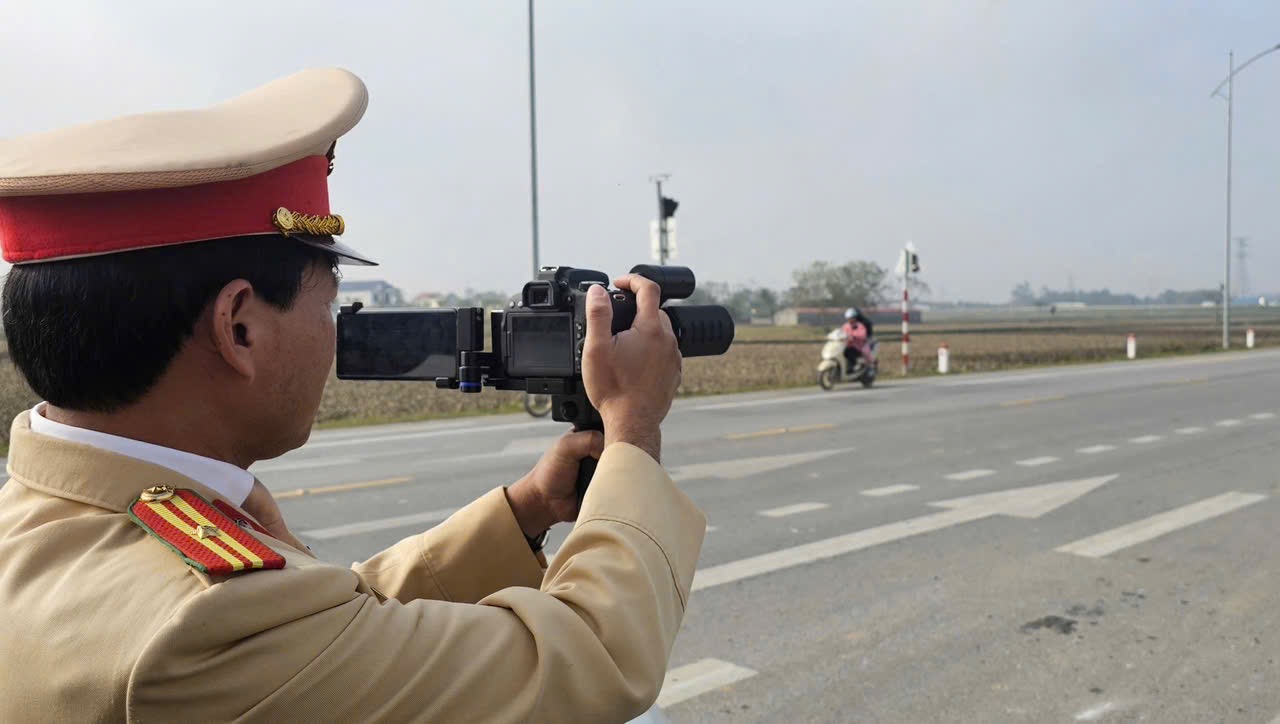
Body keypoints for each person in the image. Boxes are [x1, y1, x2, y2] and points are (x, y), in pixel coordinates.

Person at [0, 68, 705, 722]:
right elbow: (593, 660)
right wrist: (634, 424)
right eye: (328, 306)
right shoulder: (198, 623)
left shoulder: (43, 524)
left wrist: (520, 515)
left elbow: (326, 636)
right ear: (239, 326)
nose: (334, 337)